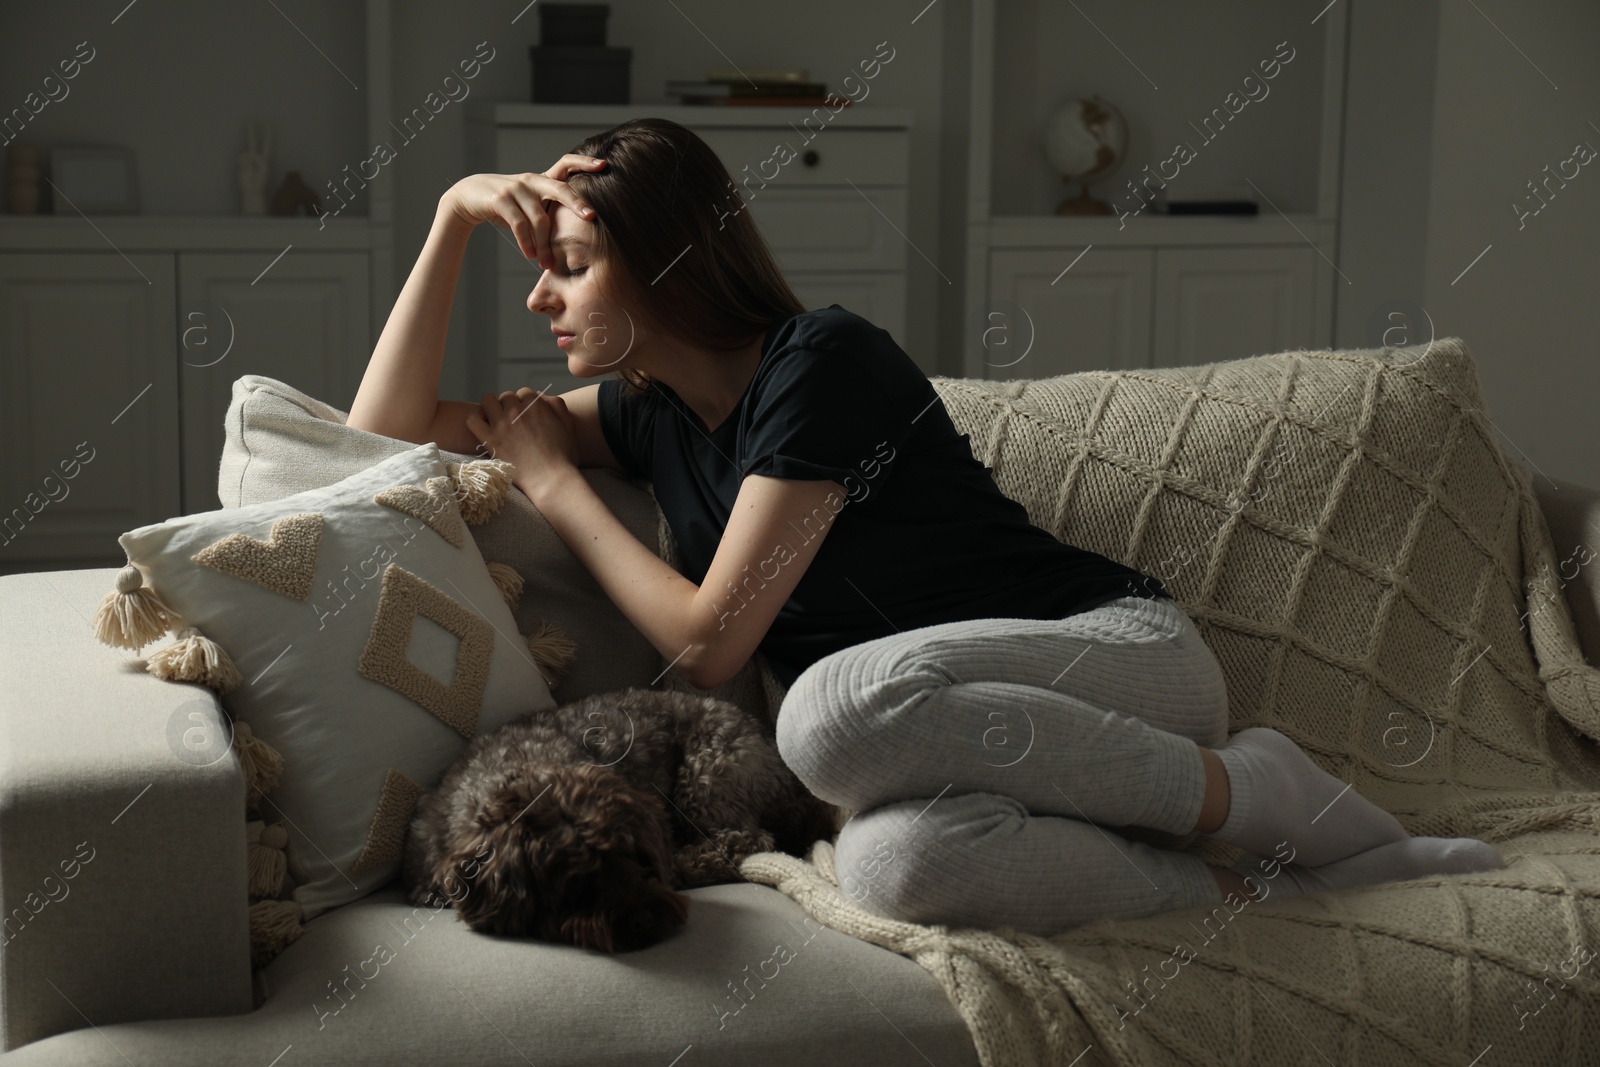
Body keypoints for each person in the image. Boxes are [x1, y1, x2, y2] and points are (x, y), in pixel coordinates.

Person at [347, 118, 1502, 937]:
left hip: (1118, 663)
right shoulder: (650, 419)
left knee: (827, 710)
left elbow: (707, 646)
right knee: (887, 865)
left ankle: (1260, 793)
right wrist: (452, 217)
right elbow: (373, 431)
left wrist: (553, 486)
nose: (543, 298)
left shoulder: (821, 363)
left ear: (667, 263)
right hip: (943, 748)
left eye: (574, 267)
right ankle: (1262, 895)